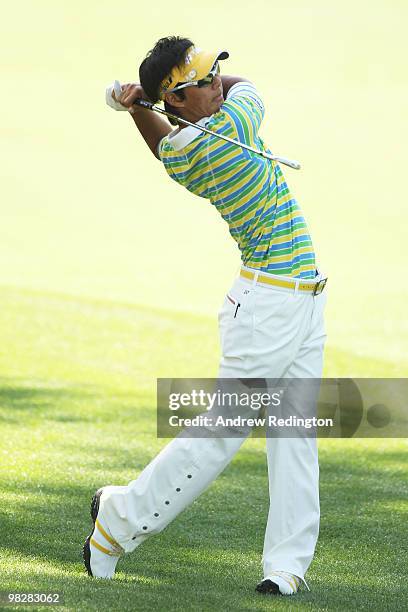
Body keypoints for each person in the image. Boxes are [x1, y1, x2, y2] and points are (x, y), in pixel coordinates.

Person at [83, 36, 328, 597]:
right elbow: (250, 89)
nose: (218, 82)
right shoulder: (231, 129)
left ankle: (285, 565)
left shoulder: (182, 151)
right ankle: (116, 521)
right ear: (178, 102)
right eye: (202, 81)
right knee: (221, 433)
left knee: (294, 434)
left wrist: (137, 105)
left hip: (299, 300)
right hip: (270, 308)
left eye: (214, 71)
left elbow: (163, 139)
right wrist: (146, 97)